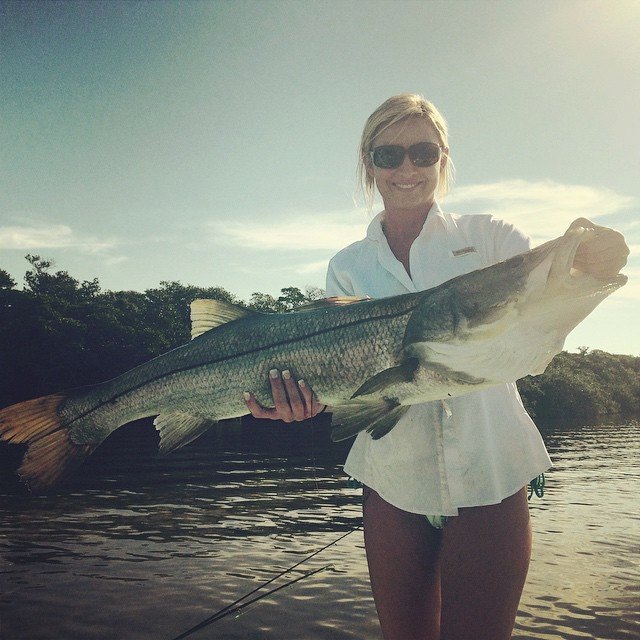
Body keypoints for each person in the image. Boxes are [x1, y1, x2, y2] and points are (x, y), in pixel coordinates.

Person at [243, 94, 627, 640]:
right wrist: (297, 405)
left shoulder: (490, 236)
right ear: (368, 162)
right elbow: (348, 392)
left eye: (423, 153)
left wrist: (593, 255)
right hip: (390, 476)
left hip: (492, 470)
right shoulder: (348, 267)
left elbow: (541, 314)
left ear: (443, 159)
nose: (406, 169)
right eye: (389, 154)